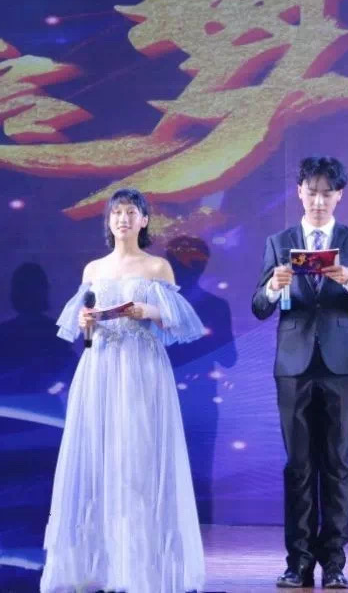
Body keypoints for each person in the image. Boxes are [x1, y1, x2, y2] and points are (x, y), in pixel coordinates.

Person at [41, 188, 206, 593]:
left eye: (131, 212)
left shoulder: (157, 267)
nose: (123, 219)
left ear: (144, 220)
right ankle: (100, 565)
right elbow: (82, 331)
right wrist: (86, 322)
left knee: (139, 457)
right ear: (109, 220)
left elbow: (177, 324)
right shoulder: (94, 269)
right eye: (117, 212)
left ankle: (140, 569)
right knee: (99, 457)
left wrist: (147, 310)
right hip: (99, 368)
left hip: (142, 368)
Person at [251, 156, 348, 589]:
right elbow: (258, 307)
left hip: (341, 367)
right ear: (299, 193)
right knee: (298, 467)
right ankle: (298, 563)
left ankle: (335, 564)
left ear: (340, 195)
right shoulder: (279, 242)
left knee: (337, 465)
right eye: (312, 192)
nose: (319, 200)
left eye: (328, 193)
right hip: (293, 366)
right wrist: (274, 286)